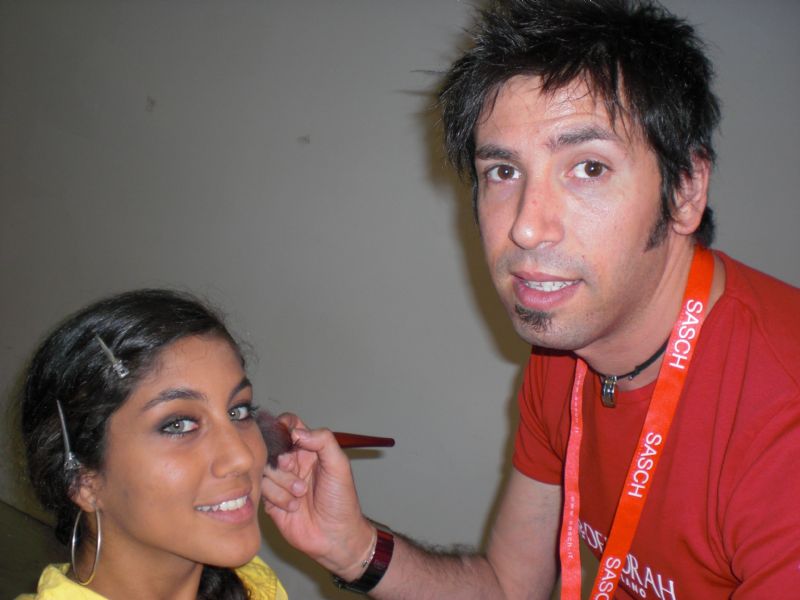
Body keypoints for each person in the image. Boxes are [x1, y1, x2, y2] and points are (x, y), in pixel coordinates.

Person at [261, 1, 800, 599]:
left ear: (685, 191)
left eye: (588, 168)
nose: (525, 227)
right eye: (503, 171)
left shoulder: (781, 420)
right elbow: (509, 586)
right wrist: (351, 547)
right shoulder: (567, 352)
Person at [16, 289, 288, 599]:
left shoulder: (253, 585)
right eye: (179, 425)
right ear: (84, 481)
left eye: (238, 411)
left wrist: (338, 549)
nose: (242, 457)